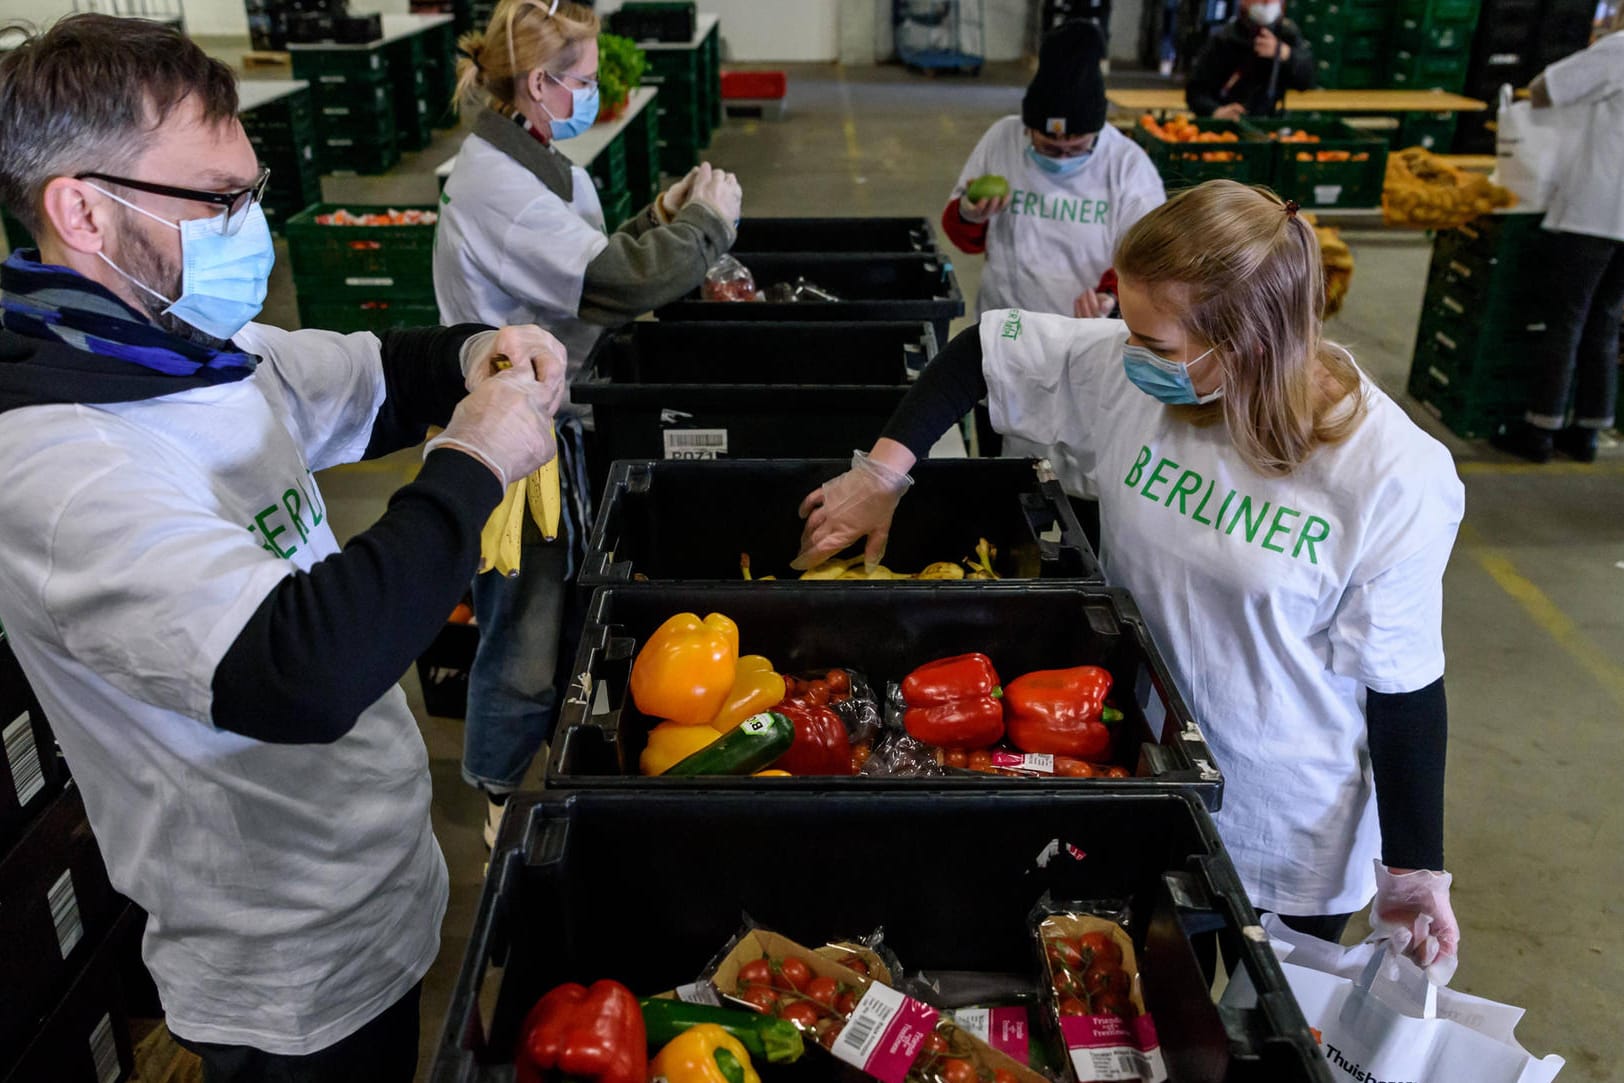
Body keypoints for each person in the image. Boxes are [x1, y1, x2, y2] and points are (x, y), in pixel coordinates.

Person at [0, 15, 566, 1082]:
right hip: (278, 964)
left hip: (373, 876)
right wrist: (472, 462)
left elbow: (376, 374)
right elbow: (298, 671)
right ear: (78, 207)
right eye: (218, 202)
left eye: (252, 192)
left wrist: (479, 353)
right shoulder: (64, 469)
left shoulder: (194, 349)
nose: (247, 229)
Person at [795, 181, 1465, 981]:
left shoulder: (1391, 474)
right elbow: (984, 351)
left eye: (1160, 343)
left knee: (1258, 1026)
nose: (1132, 353)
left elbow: (1404, 686)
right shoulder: (1133, 374)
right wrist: (883, 475)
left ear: (1249, 338)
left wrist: (1415, 869)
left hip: (1281, 823)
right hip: (1139, 771)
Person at [433, 0, 742, 845]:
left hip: (552, 412)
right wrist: (707, 228)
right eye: (578, 79)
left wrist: (660, 217)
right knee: (525, 627)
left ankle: (551, 762)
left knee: (554, 608)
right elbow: (618, 284)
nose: (588, 94)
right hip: (513, 435)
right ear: (537, 83)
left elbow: (581, 270)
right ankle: (499, 796)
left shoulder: (537, 161)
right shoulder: (495, 185)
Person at [945, 20, 1165, 322]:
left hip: (1084, 333)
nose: (1062, 155)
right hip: (1006, 324)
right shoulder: (1003, 138)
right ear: (1029, 129)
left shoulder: (1128, 166)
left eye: (1075, 148)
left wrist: (1111, 298)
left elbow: (1151, 259)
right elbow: (960, 236)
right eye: (1048, 146)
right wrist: (970, 214)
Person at [1490, 8, 1623, 464]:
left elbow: (1548, 88)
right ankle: (1589, 430)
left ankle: (1540, 429)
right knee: (1605, 319)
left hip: (1594, 210)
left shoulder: (1619, 49)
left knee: (1566, 320)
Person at [1185, 0, 1315, 120]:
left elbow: (1306, 81)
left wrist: (1287, 55)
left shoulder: (1287, 35)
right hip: (1228, 124)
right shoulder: (1224, 39)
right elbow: (1195, 91)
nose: (1267, 3)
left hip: (1269, 122)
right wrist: (1215, 111)